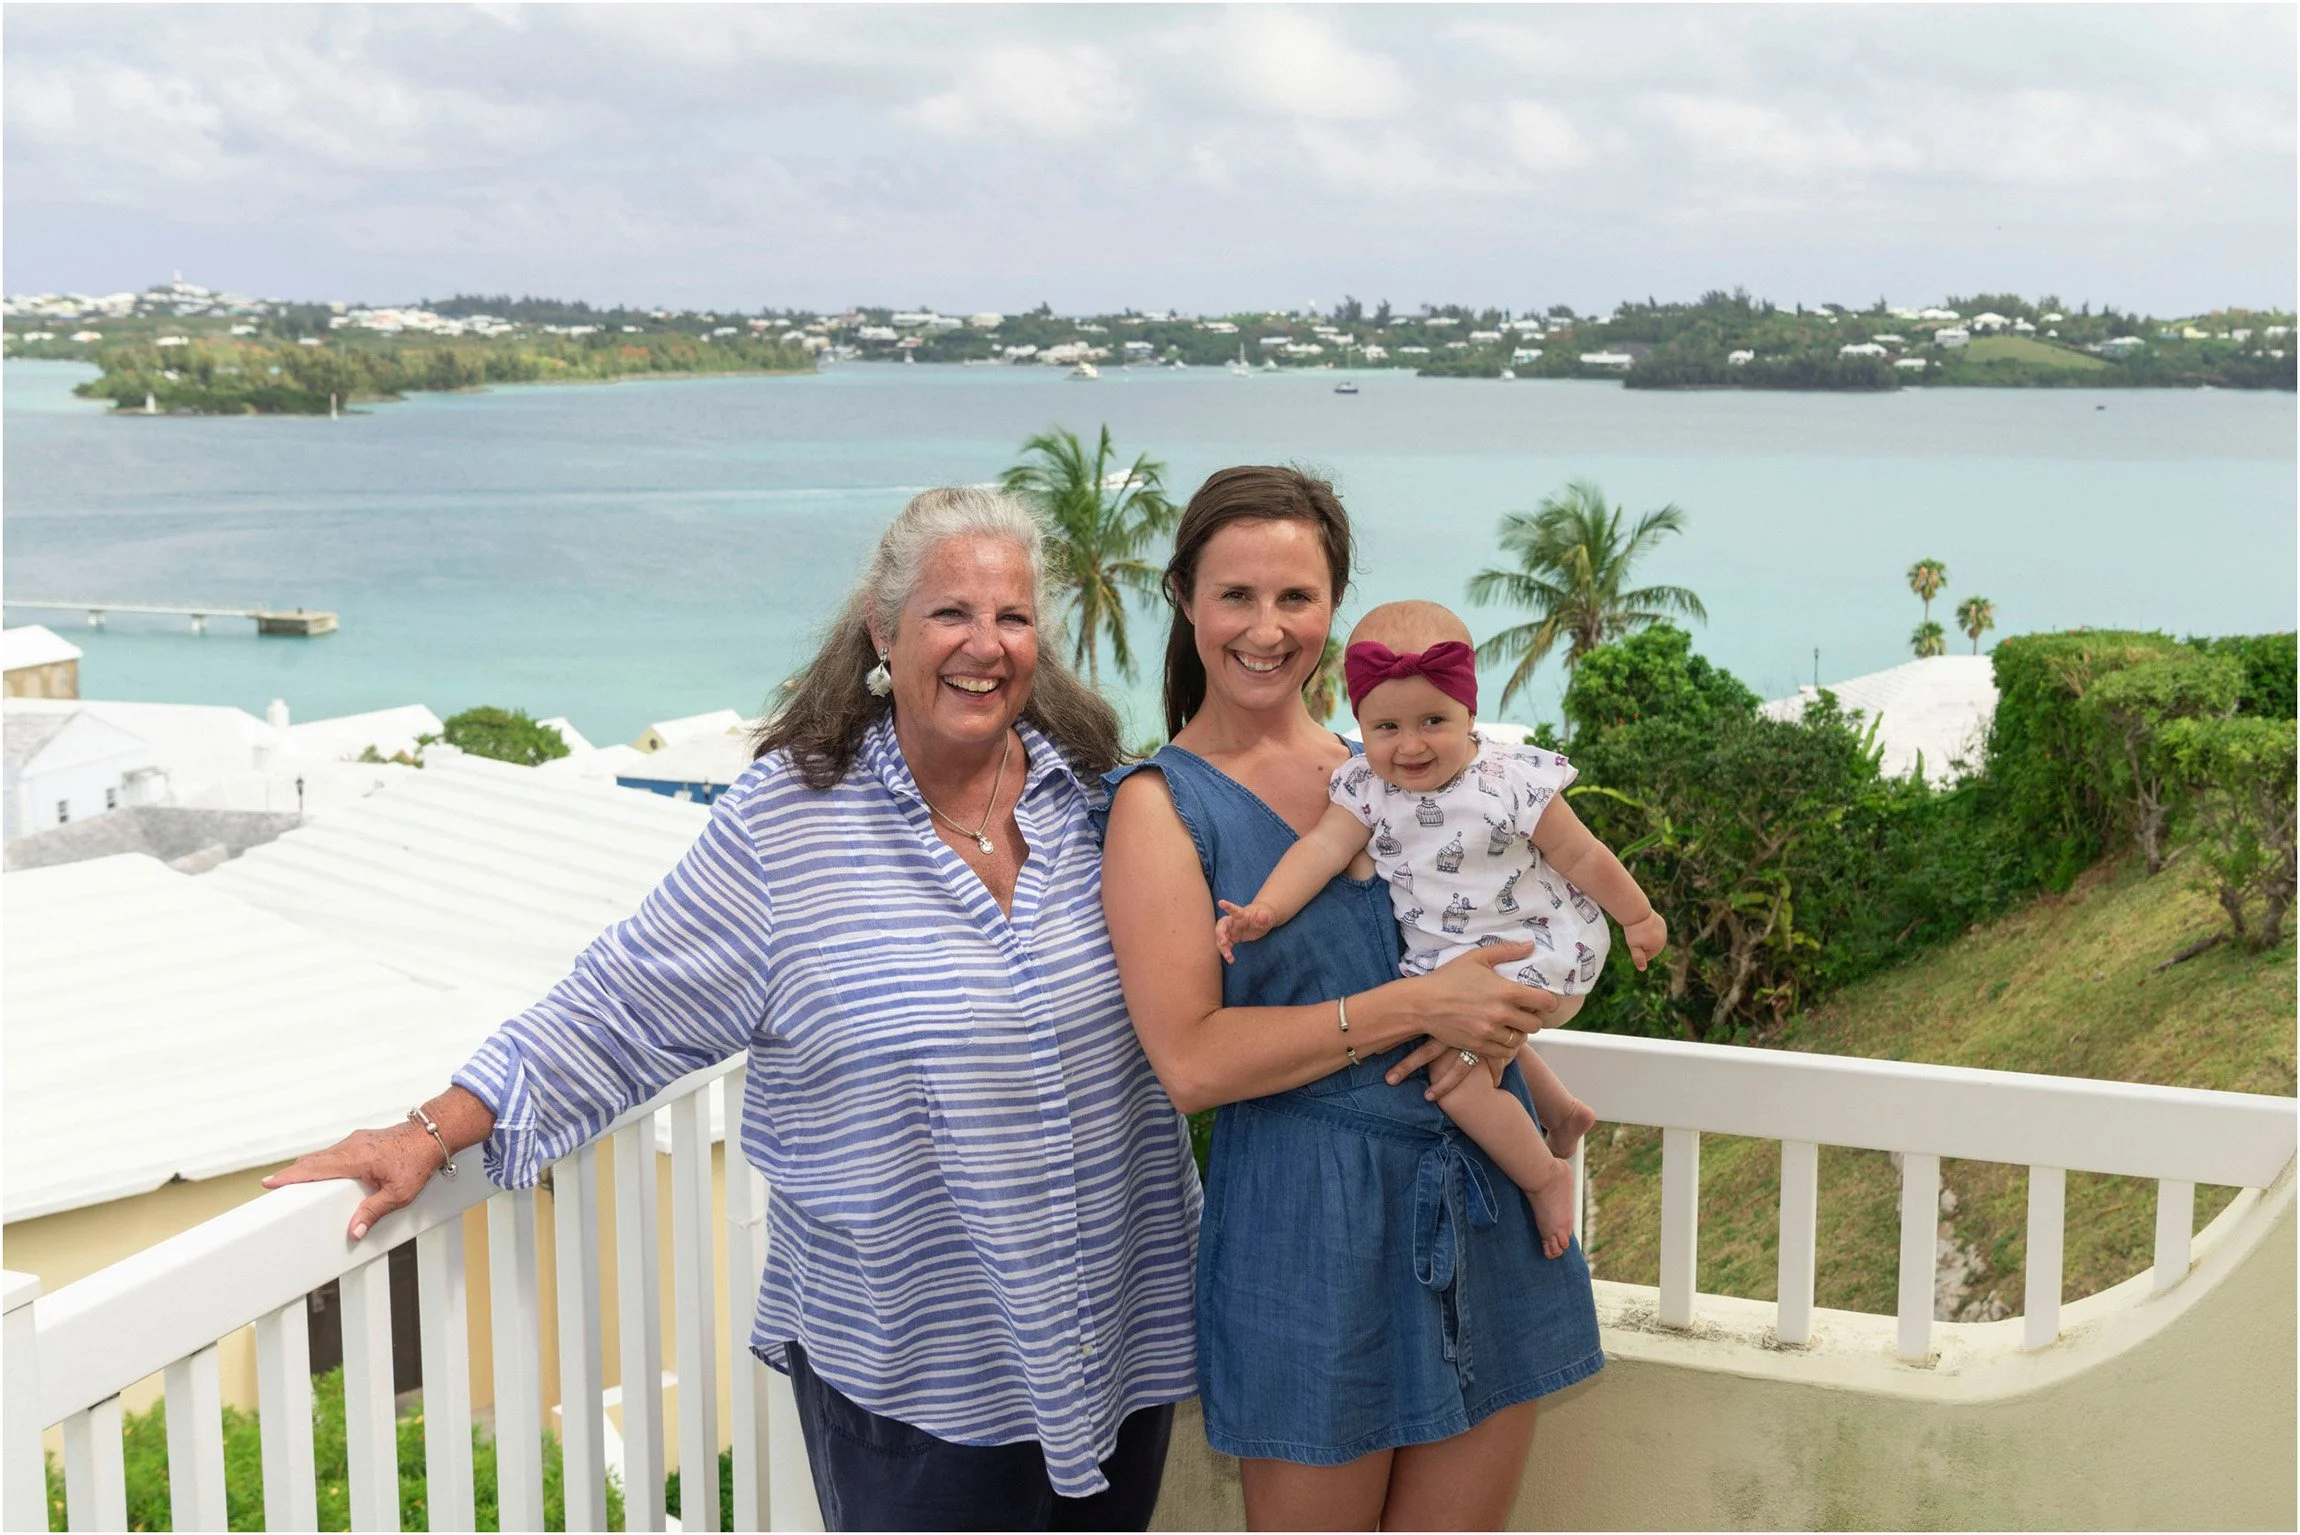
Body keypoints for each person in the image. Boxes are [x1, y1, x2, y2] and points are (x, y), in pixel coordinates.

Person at [263, 487, 1200, 1532]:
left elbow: (1206, 970)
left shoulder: (1095, 798)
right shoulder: (785, 826)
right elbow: (620, 1003)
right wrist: (432, 1127)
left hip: (1113, 1331)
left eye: (1012, 617)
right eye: (950, 613)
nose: (984, 645)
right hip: (912, 1368)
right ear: (883, 633)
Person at [1099, 466, 1604, 1531]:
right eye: (1235, 595)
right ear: (1184, 599)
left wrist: (1524, 1054)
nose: (1265, 628)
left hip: (1477, 1201)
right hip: (1302, 1224)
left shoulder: (1384, 763)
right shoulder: (1158, 806)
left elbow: (1469, 948)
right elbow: (1189, 1062)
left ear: (1333, 610)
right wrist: (1418, 1006)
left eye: (1296, 597)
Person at [1213, 599, 1667, 1260]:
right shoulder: (1367, 785)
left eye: (1434, 720)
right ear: (1360, 724)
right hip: (1450, 961)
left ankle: (1544, 1175)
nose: (1412, 744)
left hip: (1534, 949)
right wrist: (1267, 910)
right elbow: (1319, 850)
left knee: (1455, 1080)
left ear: (1469, 714)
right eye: (1386, 725)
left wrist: (1639, 915)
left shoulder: (1508, 779)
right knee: (1470, 1031)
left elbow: (1582, 854)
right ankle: (1562, 1111)